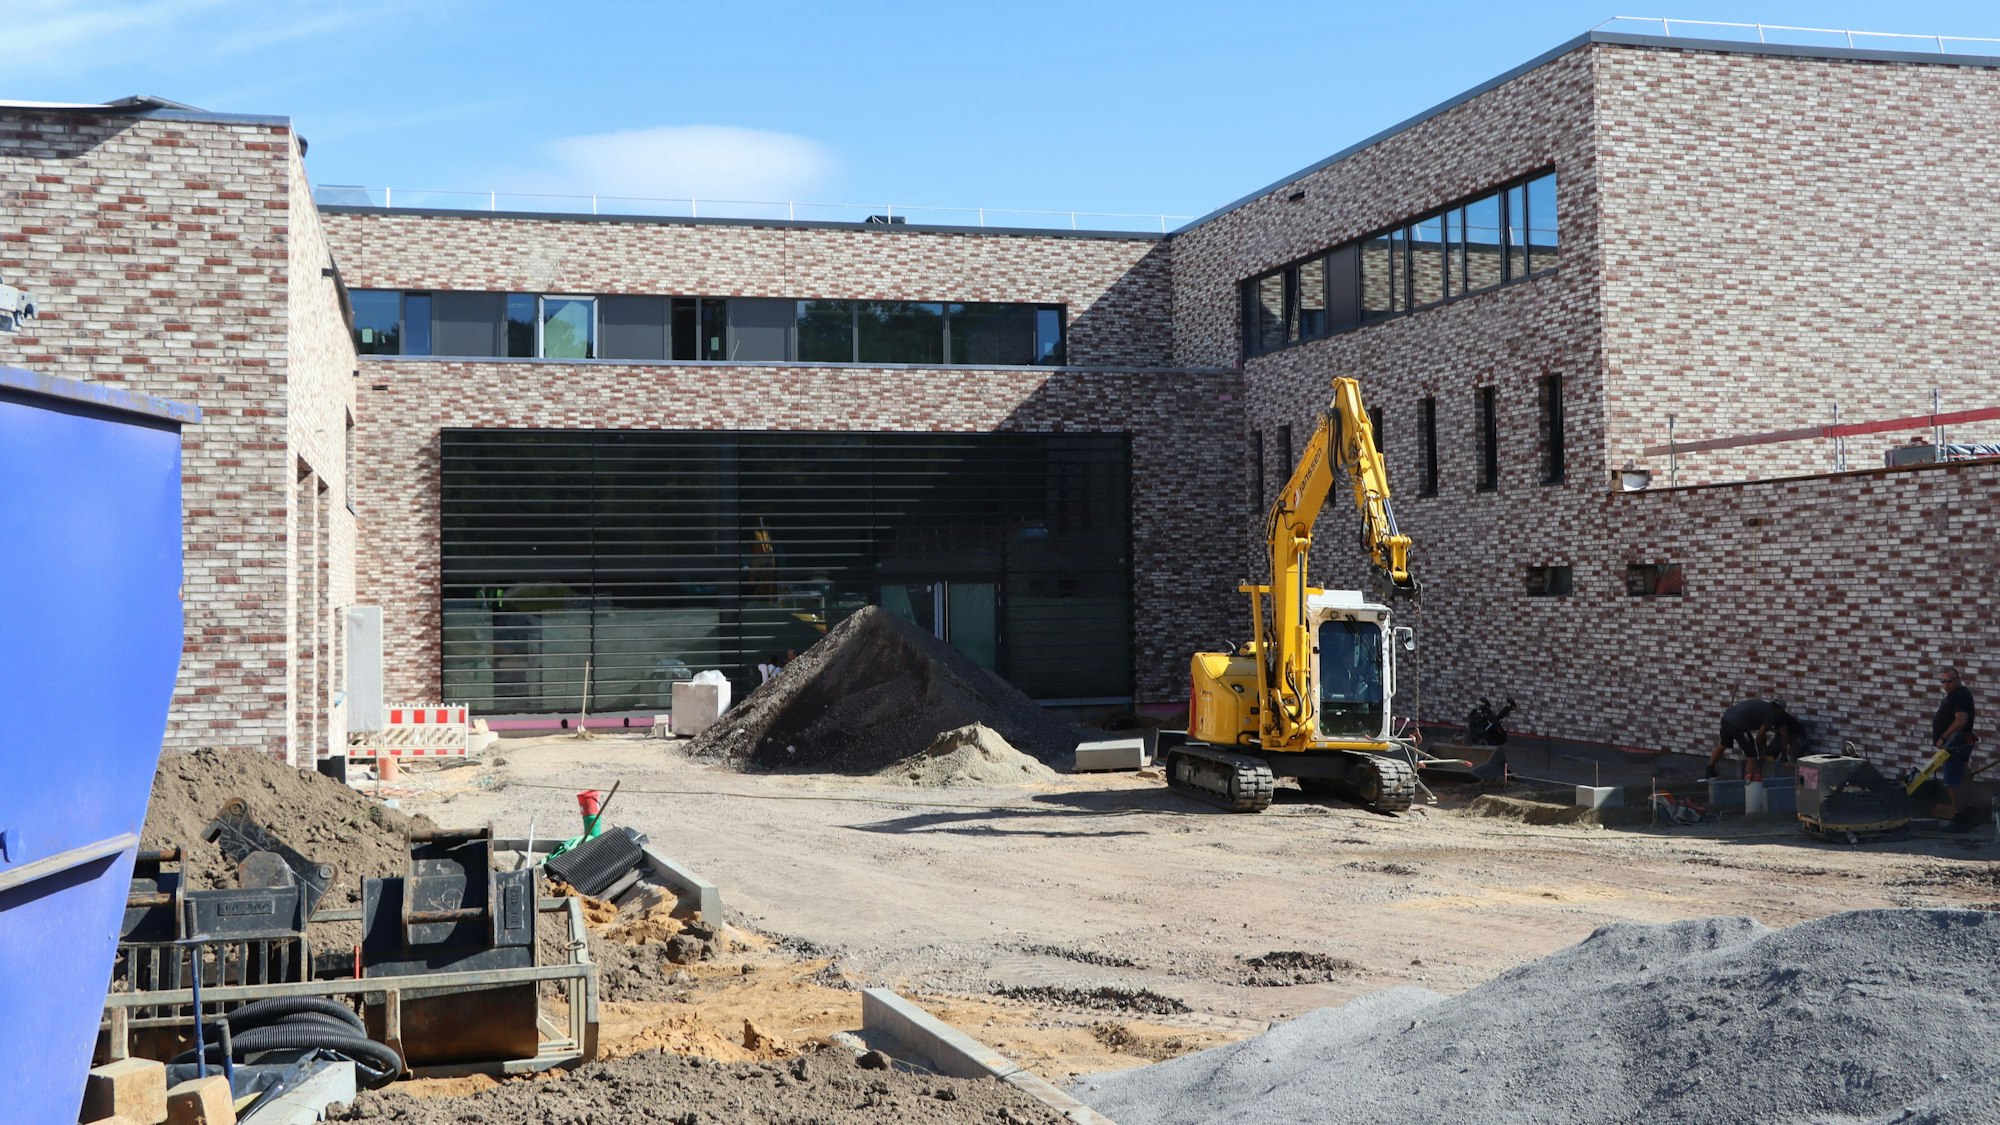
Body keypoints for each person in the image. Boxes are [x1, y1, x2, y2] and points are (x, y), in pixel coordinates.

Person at [1703, 699, 1808, 780]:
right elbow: (1760, 734)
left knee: (1723, 745)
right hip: (1738, 725)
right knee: (1752, 755)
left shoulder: (1764, 706)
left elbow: (1777, 735)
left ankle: (1709, 771)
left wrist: (1773, 751)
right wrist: (1761, 752)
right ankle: (1748, 783)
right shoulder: (1771, 714)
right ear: (1780, 709)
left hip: (1726, 718)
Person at [1933, 668, 1977, 823]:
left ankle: (1960, 816)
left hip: (1955, 742)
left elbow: (1961, 720)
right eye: (1943, 681)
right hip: (1957, 741)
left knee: (1952, 778)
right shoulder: (1955, 695)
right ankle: (1969, 811)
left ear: (1958, 679)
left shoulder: (1960, 696)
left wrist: (1943, 738)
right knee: (1963, 775)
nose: (1946, 685)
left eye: (1949, 681)